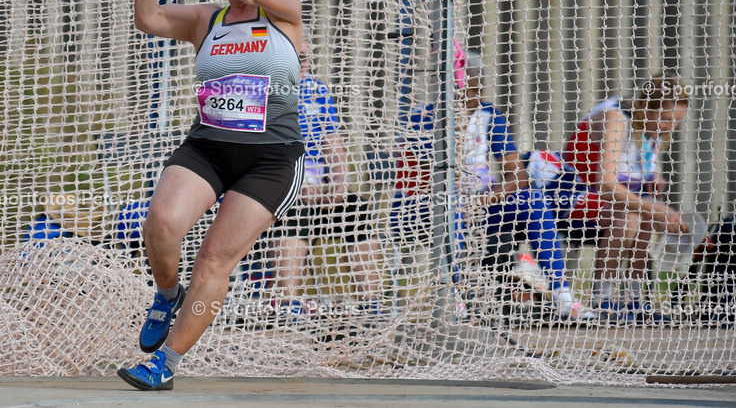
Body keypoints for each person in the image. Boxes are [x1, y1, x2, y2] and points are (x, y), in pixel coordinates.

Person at [116, 0, 305, 391]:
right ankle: (166, 294)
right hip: (208, 147)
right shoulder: (207, 18)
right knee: (161, 221)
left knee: (214, 261)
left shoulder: (284, 9)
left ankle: (165, 364)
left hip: (270, 160)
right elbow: (147, 18)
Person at [395, 52, 594, 321]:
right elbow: (411, 181)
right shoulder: (420, 118)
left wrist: (482, 199)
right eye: (468, 85)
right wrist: (452, 195)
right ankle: (454, 297)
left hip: (480, 201)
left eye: (478, 85)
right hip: (430, 203)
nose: (473, 92)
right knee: (451, 209)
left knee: (532, 199)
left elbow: (518, 176)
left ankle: (562, 296)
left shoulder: (488, 115)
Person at [267, 43, 383, 322]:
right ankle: (289, 305)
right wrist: (298, 183)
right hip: (280, 185)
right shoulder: (266, 92)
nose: (304, 60)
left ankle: (371, 306)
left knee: (357, 210)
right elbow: (264, 150)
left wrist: (340, 185)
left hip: (320, 190)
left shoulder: (317, 91)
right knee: (291, 213)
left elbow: (332, 143)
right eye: (298, 55)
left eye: (307, 55)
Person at [564, 75, 690, 323]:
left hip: (605, 203)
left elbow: (635, 178)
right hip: (572, 196)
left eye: (676, 122)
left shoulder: (649, 131)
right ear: (644, 108)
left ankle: (632, 299)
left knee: (643, 214)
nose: (670, 128)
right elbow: (606, 183)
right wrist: (653, 207)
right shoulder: (616, 119)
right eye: (666, 120)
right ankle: (603, 299)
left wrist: (653, 185)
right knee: (635, 213)